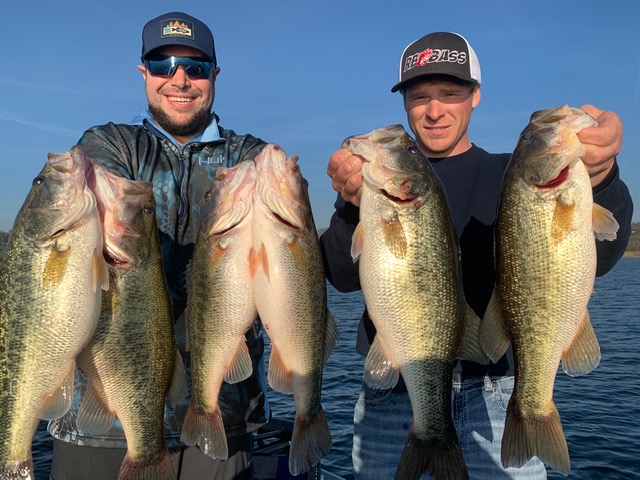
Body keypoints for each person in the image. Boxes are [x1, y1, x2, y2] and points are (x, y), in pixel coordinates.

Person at [320, 32, 634, 479]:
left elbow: (600, 256)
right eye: (419, 96)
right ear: (406, 103)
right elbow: (340, 274)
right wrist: (350, 207)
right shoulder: (372, 192)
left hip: (497, 392)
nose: (433, 110)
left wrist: (602, 177)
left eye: (450, 94)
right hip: (395, 394)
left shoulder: (511, 176)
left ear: (475, 97)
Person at [48, 12, 269, 480]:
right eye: (163, 64)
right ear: (144, 72)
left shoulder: (250, 159)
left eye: (197, 67)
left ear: (215, 75)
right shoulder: (110, 145)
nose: (180, 79)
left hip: (220, 420)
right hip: (104, 422)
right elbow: (86, 194)